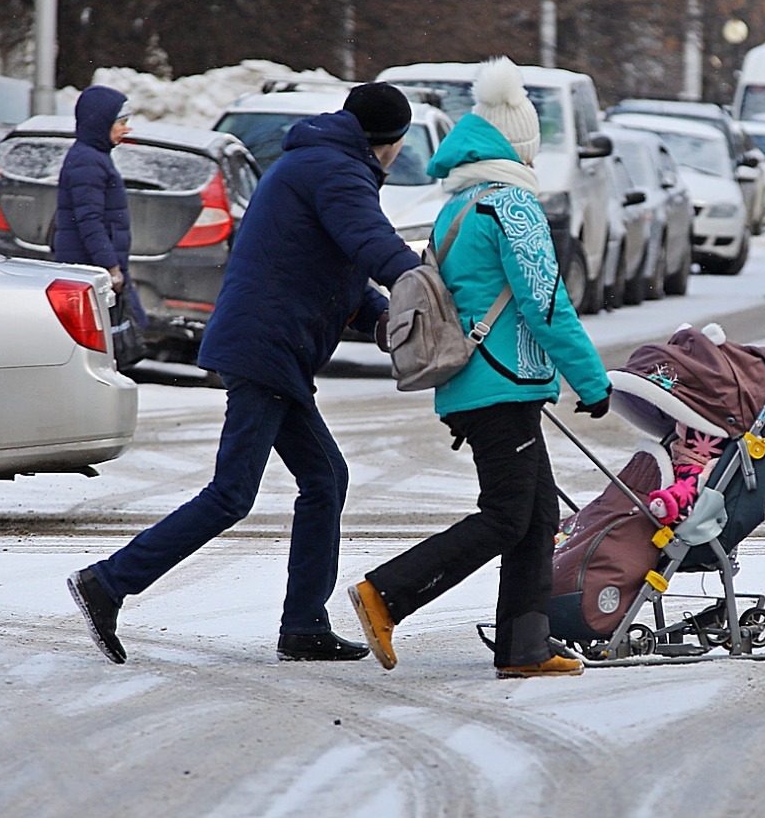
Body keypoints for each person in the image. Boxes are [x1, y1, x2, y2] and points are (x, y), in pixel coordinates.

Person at [68, 82, 421, 664]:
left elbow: (334, 265)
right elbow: (373, 244)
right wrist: (428, 288)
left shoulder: (320, 162)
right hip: (266, 348)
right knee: (232, 494)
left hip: (271, 346)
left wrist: (383, 315)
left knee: (326, 479)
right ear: (391, 143)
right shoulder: (338, 171)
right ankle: (108, 583)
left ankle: (304, 626)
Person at [347, 57, 612, 680]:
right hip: (500, 380)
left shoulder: (459, 206)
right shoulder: (512, 209)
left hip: (474, 378)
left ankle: (524, 647)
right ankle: (387, 594)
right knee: (508, 514)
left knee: (537, 514)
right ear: (522, 146)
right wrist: (591, 380)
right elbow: (546, 303)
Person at [52, 85, 146, 332]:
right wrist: (111, 268)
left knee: (124, 334)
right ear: (101, 123)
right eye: (121, 122)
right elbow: (90, 220)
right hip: (90, 271)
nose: (127, 128)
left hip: (93, 269)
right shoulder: (88, 161)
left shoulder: (95, 156)